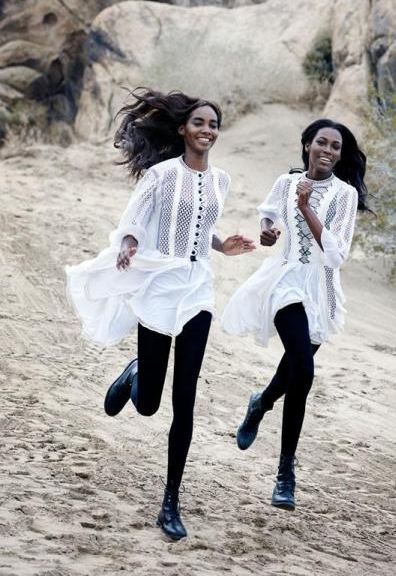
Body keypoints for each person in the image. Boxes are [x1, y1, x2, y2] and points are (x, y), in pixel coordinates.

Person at [66, 89, 254, 541]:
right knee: (149, 403)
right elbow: (134, 222)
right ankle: (135, 375)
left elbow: (200, 229)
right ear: (181, 130)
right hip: (158, 288)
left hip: (198, 292)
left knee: (184, 399)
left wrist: (222, 245)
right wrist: (129, 246)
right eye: (199, 124)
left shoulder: (221, 181)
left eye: (213, 125)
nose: (207, 131)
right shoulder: (159, 175)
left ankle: (171, 501)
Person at [222, 119, 369, 511]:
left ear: (340, 154)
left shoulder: (344, 195)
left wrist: (306, 209)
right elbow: (269, 213)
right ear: (307, 145)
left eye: (336, 147)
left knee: (293, 369)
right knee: (303, 372)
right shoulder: (286, 183)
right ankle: (286, 472)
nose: (328, 150)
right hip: (286, 281)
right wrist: (268, 230)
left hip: (321, 291)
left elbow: (336, 255)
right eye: (321, 142)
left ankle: (261, 402)